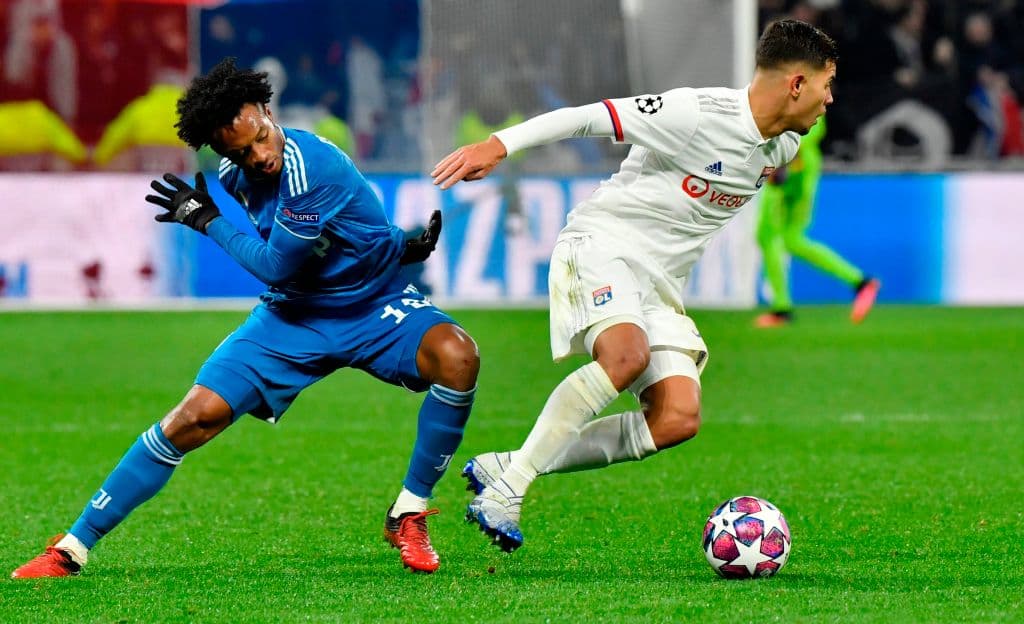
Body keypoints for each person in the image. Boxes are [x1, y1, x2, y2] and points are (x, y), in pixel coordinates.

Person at [11, 58, 478, 577]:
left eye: (259, 138)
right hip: (295, 314)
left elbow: (275, 263)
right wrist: (398, 244)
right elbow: (328, 238)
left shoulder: (308, 165)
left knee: (457, 356)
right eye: (239, 151)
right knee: (193, 417)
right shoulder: (235, 175)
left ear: (266, 111)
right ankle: (71, 548)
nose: (259, 157)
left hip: (372, 304)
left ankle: (409, 512)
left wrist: (207, 221)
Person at [431, 19, 834, 552]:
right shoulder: (695, 113)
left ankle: (511, 463)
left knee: (677, 418)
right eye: (827, 84)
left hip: (659, 285)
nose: (830, 100)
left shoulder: (781, 148)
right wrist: (500, 144)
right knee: (625, 356)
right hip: (604, 245)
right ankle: (509, 489)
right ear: (797, 84)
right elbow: (586, 117)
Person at [754, 116, 880, 327]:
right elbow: (815, 123)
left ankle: (781, 308)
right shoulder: (817, 101)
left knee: (768, 236)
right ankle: (860, 281)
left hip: (789, 161)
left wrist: (781, 161)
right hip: (804, 163)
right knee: (792, 239)